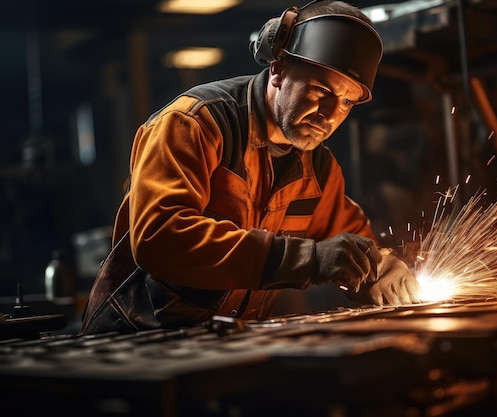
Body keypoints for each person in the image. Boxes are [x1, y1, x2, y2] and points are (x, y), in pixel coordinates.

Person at [80, 0, 420, 335]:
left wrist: (380, 267)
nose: (330, 114)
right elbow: (161, 237)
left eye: (346, 101)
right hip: (136, 336)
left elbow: (349, 245)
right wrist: (307, 259)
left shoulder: (318, 168)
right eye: (320, 90)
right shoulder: (194, 124)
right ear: (278, 70)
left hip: (219, 339)